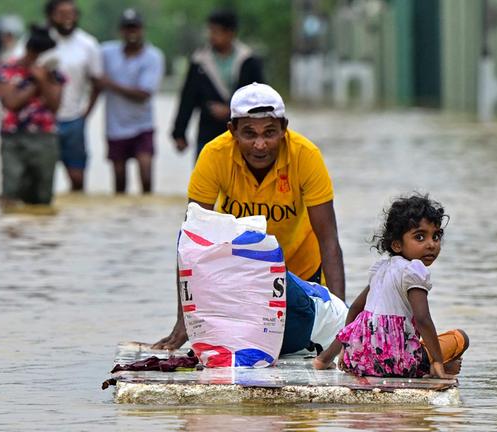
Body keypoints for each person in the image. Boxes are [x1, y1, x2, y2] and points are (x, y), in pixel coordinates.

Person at [153, 83, 345, 351]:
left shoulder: (306, 155)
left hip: (300, 276)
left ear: (284, 128)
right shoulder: (213, 155)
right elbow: (191, 242)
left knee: (288, 341)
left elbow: (329, 240)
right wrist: (186, 321)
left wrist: (341, 323)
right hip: (240, 275)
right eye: (249, 134)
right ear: (232, 131)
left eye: (270, 133)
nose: (260, 145)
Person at [314, 194, 469, 378]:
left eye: (436, 236)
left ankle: (322, 360)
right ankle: (437, 365)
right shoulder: (414, 270)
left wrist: (341, 351)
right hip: (398, 363)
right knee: (460, 338)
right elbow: (422, 318)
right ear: (396, 244)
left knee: (380, 328)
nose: (431, 245)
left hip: (360, 360)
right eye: (420, 237)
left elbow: (355, 308)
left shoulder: (381, 268)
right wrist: (436, 361)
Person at [172, 9, 265, 160]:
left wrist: (230, 109)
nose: (212, 36)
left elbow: (260, 96)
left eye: (216, 32)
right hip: (208, 132)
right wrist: (179, 132)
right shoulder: (199, 61)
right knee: (205, 178)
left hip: (244, 133)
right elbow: (188, 98)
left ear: (230, 33)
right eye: (211, 31)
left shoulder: (248, 61)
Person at [0, 24, 64, 210]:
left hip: (45, 137)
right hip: (13, 138)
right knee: (11, 191)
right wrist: (35, 82)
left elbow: (55, 106)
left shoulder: (54, 73)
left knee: (42, 197)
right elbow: (12, 103)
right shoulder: (8, 69)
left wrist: (43, 79)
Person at [100, 9, 164, 194]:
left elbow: (144, 93)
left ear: (142, 29)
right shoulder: (107, 52)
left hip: (142, 125)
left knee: (146, 176)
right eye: (128, 28)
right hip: (115, 127)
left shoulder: (153, 56)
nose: (132, 32)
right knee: (119, 181)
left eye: (135, 28)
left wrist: (109, 84)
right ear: (121, 31)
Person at [43, 0, 103, 192]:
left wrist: (86, 114)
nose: (67, 18)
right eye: (62, 14)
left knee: (77, 179)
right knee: (42, 179)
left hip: (74, 119)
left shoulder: (88, 44)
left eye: (71, 14)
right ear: (52, 16)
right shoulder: (40, 41)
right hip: (44, 119)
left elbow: (97, 83)